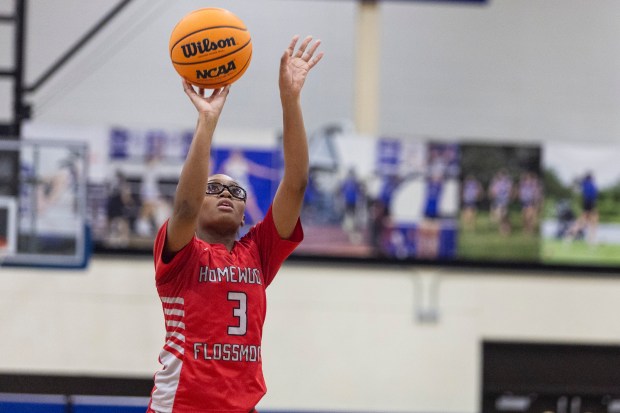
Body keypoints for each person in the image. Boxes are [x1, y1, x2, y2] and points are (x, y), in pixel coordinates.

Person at [146, 35, 323, 413]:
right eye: (215, 188)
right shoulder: (181, 255)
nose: (226, 194)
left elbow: (296, 182)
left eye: (236, 192)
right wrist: (207, 122)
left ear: (245, 215)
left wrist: (290, 100)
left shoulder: (257, 253)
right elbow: (185, 205)